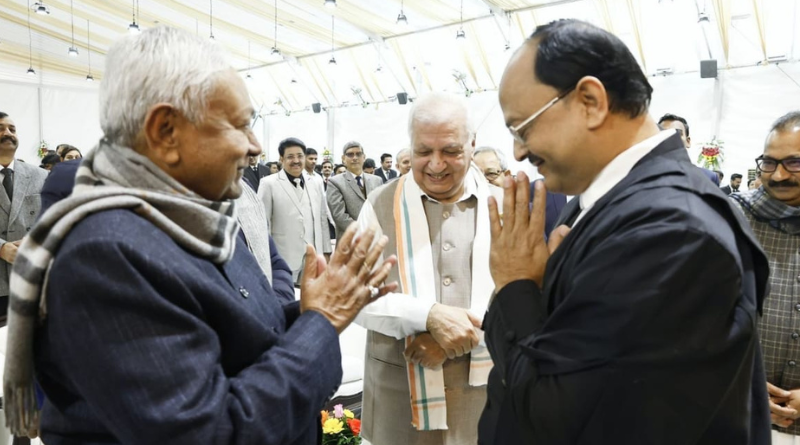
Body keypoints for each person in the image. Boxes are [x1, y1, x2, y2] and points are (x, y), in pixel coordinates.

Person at [3, 26, 398, 444]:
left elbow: (236, 333)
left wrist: (309, 310)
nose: (255, 146)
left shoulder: (198, 218)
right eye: (239, 125)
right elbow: (212, 433)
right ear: (166, 131)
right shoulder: (105, 256)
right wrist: (322, 323)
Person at [480, 19, 770, 444]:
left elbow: (562, 415)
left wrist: (516, 286)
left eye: (522, 128)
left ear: (591, 101)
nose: (518, 151)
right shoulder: (610, 201)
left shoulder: (670, 230)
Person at [355, 92, 502, 445]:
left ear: (472, 143)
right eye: (423, 151)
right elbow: (354, 297)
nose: (436, 165)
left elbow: (526, 296)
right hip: (398, 395)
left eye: (450, 151)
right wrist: (428, 316)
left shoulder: (503, 205)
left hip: (483, 397)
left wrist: (457, 339)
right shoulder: (378, 204)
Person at [730, 112, 800, 444]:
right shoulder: (730, 218)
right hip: (740, 414)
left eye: (794, 163)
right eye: (769, 163)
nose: (779, 175)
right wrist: (745, 386)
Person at [259, 137, 331, 283]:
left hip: (313, 257)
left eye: (300, 156)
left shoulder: (315, 182)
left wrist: (326, 251)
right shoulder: (268, 184)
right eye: (290, 157)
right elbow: (262, 224)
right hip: (283, 258)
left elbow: (322, 218)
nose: (296, 161)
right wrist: (266, 258)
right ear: (281, 159)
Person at [0, 112, 48, 325]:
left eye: (12, 129)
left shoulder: (41, 176)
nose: (7, 133)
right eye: (1, 128)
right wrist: (2, 248)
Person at [326, 142, 382, 240]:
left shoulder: (377, 180)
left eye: (358, 154)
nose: (355, 158)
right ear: (343, 158)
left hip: (376, 238)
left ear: (364, 157)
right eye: (350, 154)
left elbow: (381, 209)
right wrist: (363, 231)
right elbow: (339, 216)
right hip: (350, 240)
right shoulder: (335, 182)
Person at [657, 113, 720, 186]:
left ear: (688, 141)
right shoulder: (647, 174)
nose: (670, 137)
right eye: (663, 133)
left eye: (676, 132)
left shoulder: (708, 177)